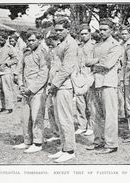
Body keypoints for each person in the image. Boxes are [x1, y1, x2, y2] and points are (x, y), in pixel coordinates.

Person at [84, 18, 123, 153]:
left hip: (108, 83)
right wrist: (99, 60)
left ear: (111, 30)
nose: (102, 32)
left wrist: (96, 63)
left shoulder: (115, 45)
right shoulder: (96, 45)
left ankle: (111, 144)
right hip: (96, 82)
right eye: (100, 29)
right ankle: (98, 141)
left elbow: (108, 64)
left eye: (105, 29)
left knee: (110, 114)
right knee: (95, 114)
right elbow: (86, 61)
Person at [13, 30, 49, 153]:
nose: (31, 42)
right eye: (29, 40)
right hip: (25, 90)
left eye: (33, 40)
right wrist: (21, 85)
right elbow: (20, 70)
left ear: (39, 40)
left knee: (36, 116)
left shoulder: (43, 53)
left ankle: (38, 142)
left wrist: (31, 89)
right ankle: (27, 140)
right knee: (25, 116)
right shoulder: (26, 53)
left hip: (37, 90)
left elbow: (44, 74)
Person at [47, 18, 78, 163]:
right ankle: (64, 148)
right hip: (57, 85)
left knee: (65, 119)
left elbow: (66, 68)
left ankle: (70, 150)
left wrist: (54, 84)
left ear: (68, 30)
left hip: (64, 86)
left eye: (61, 30)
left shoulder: (71, 44)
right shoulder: (61, 44)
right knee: (59, 119)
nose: (58, 32)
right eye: (56, 30)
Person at [74, 24, 96, 136]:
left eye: (85, 33)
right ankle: (82, 125)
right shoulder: (79, 46)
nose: (83, 36)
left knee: (91, 103)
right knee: (80, 103)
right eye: (81, 34)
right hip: (80, 76)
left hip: (90, 76)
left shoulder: (94, 45)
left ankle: (91, 126)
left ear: (90, 34)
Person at [0, 31, 18, 114]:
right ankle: (1, 107)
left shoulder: (9, 48)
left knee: (7, 90)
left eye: (2, 39)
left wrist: (6, 63)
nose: (0, 41)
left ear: (5, 39)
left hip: (6, 72)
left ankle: (9, 107)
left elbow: (15, 59)